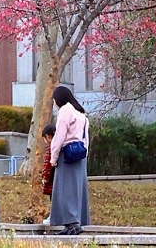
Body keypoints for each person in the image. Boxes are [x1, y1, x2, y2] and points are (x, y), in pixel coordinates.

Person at [47, 85, 91, 235]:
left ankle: (71, 223)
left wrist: (53, 157)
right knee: (77, 189)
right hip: (80, 154)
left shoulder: (65, 110)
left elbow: (59, 136)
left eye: (54, 100)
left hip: (67, 154)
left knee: (64, 189)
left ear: (59, 99)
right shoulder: (81, 113)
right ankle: (76, 222)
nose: (54, 103)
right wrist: (85, 154)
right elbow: (86, 137)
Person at [40, 122, 56, 225]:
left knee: (53, 198)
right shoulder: (60, 145)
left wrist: (44, 177)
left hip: (52, 179)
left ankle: (53, 217)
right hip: (59, 177)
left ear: (48, 137)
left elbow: (47, 163)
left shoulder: (51, 147)